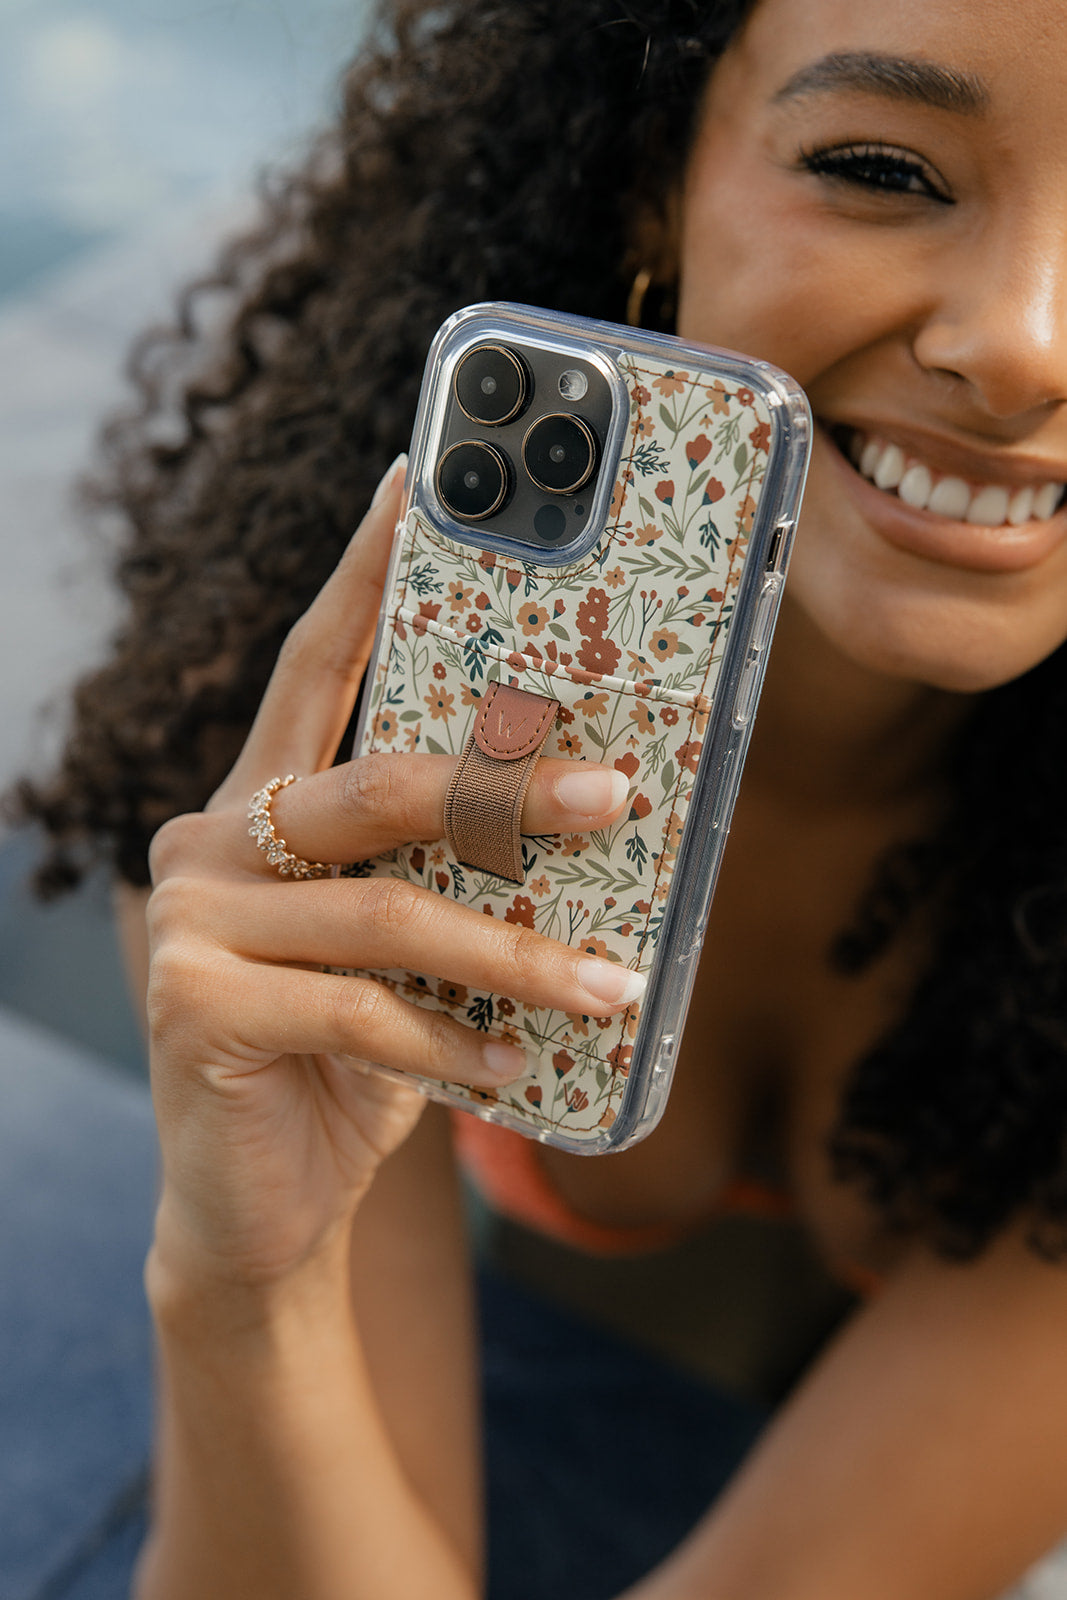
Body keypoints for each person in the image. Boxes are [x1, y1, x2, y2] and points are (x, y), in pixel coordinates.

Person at [17, 0, 1067, 1594]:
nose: (1023, 343)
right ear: (654, 180)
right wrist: (245, 1286)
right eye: (883, 169)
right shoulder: (330, 718)